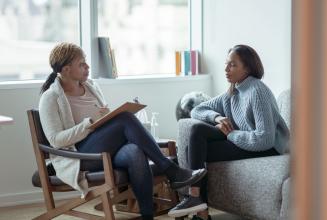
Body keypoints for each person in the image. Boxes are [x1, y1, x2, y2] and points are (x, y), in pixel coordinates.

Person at [38, 42, 207, 220]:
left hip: (103, 149)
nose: (87, 67)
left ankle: (147, 216)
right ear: (65, 70)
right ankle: (172, 171)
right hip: (80, 156)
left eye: (86, 61)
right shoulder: (50, 98)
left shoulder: (91, 86)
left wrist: (106, 118)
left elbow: (102, 122)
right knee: (125, 118)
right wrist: (89, 122)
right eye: (81, 64)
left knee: (134, 151)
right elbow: (56, 140)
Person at [168, 45, 290, 220]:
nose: (226, 69)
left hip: (269, 147)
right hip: (245, 138)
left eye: (232, 65)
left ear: (247, 68)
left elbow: (265, 139)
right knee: (196, 132)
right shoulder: (234, 91)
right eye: (226, 64)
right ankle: (197, 203)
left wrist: (230, 134)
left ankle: (197, 205)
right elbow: (197, 110)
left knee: (194, 151)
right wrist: (217, 118)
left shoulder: (257, 91)